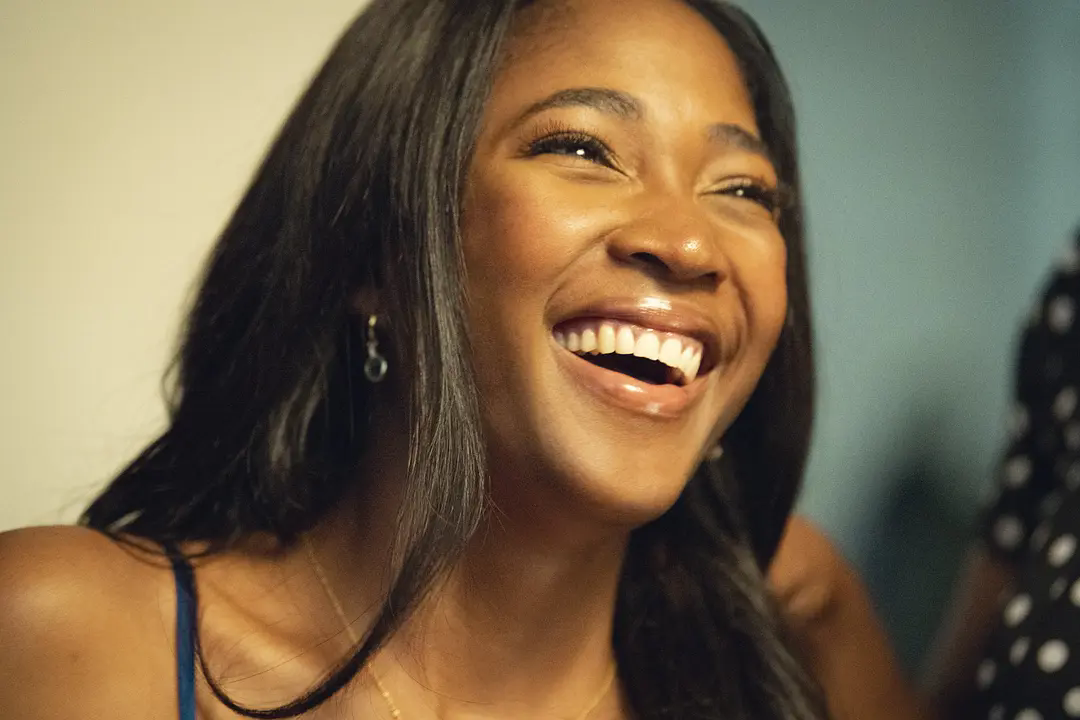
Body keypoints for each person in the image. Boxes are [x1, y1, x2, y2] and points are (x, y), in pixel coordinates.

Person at [0, 1, 828, 718]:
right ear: (376, 253)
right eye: (582, 149)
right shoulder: (67, 630)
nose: (689, 244)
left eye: (742, 191)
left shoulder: (796, 650)